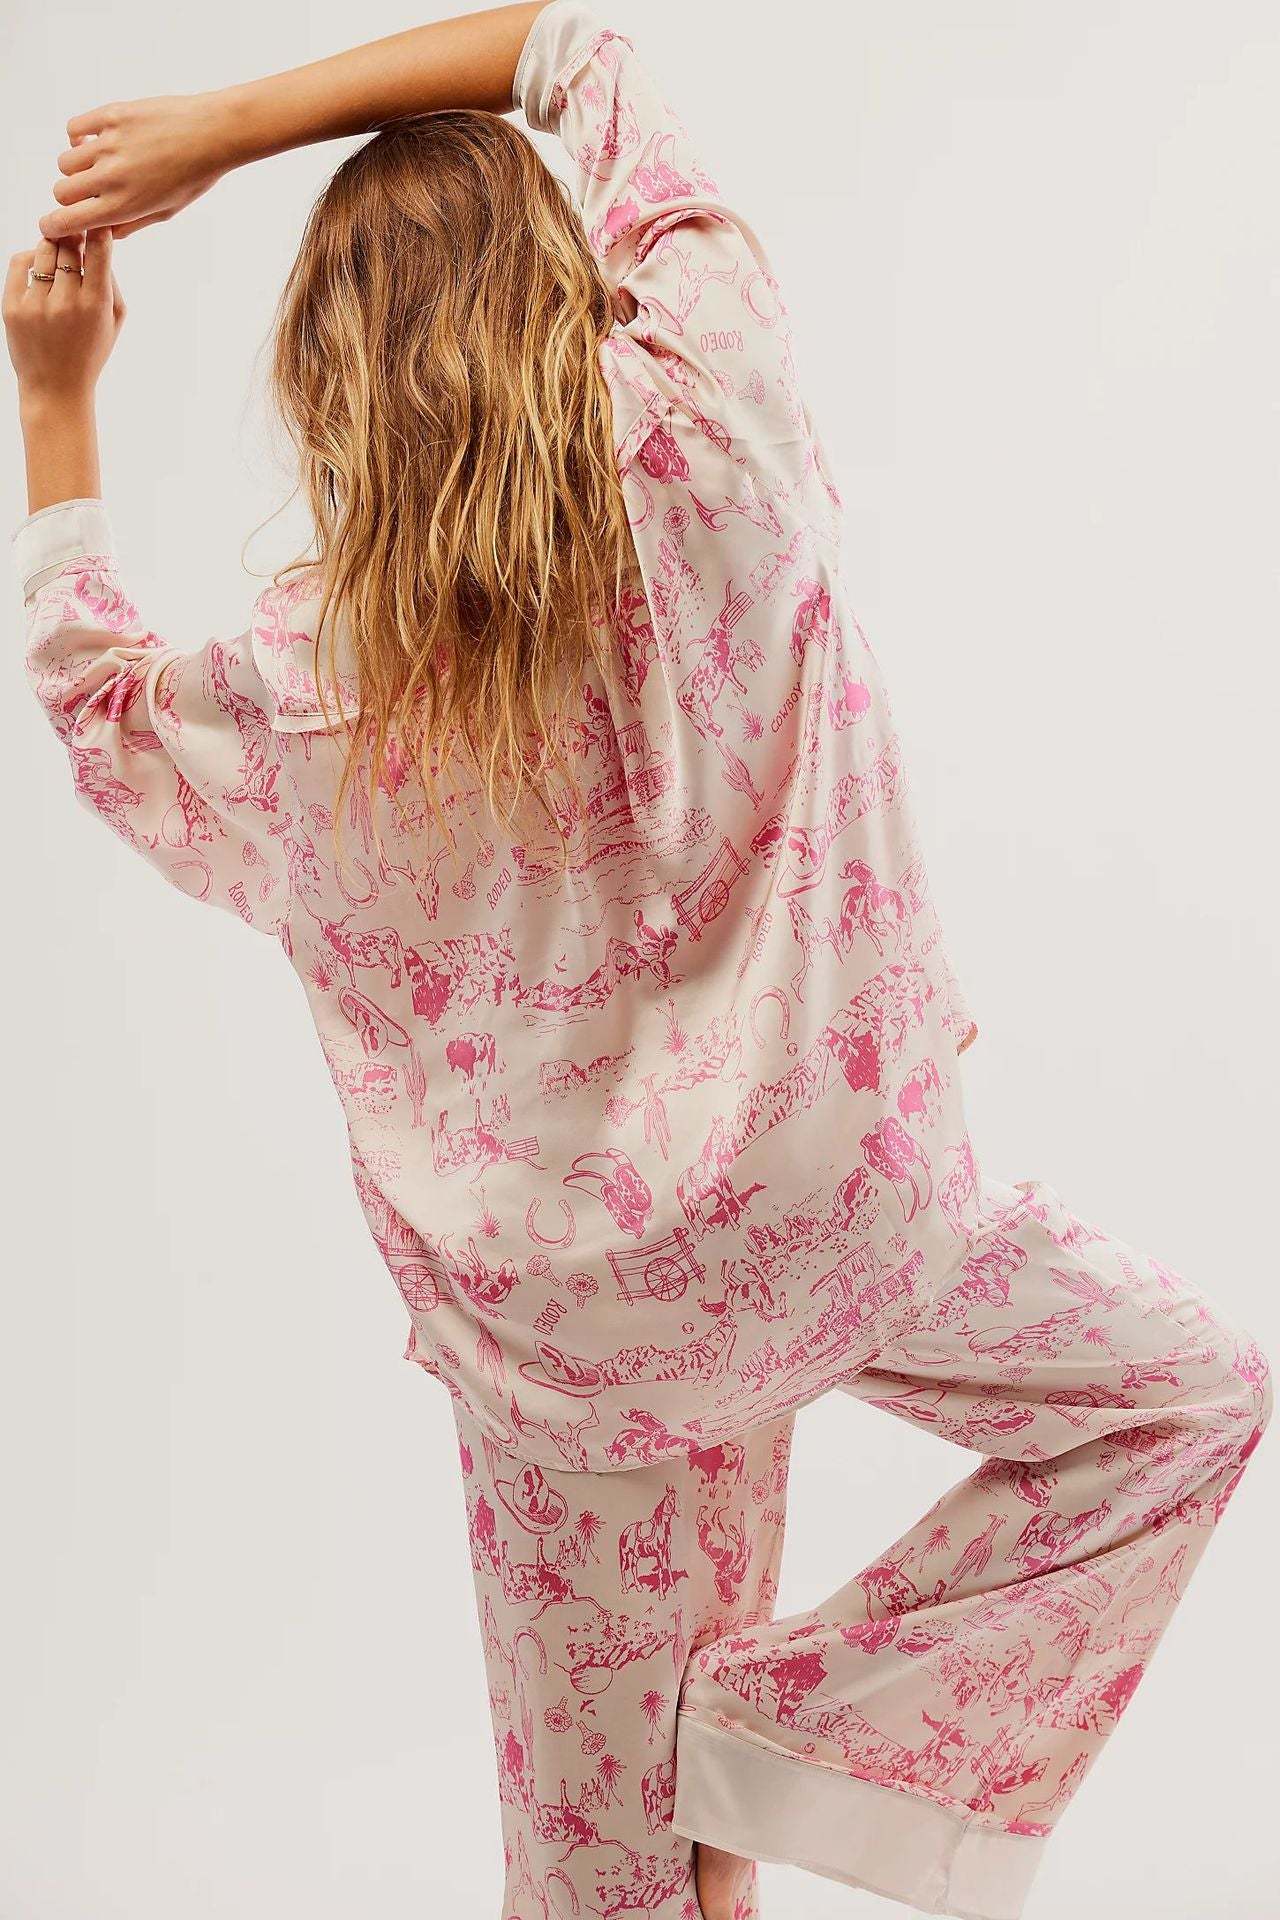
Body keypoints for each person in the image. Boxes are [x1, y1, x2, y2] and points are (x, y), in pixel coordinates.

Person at [5, 5, 1271, 1917]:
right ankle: (768, 1743)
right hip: (832, 1211)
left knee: (602, 1884)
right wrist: (234, 126)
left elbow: (100, 703)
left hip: (568, 1340)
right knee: (1181, 1401)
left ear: (332, 387)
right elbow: (572, 44)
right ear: (563, 285)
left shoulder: (310, 683)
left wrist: (56, 397)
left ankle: (709, 1761)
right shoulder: (708, 422)